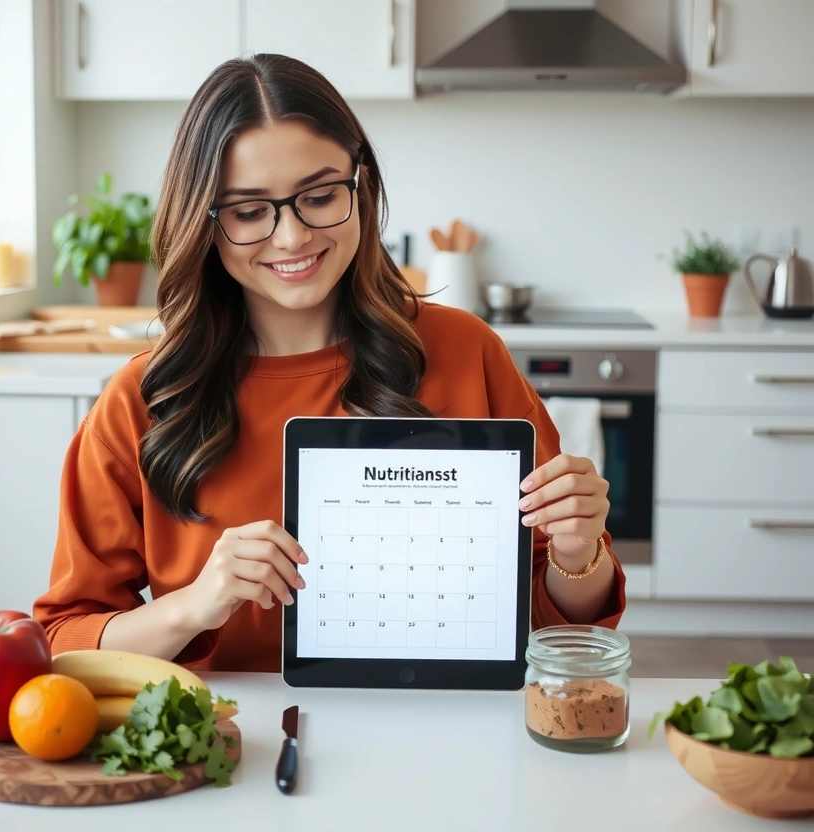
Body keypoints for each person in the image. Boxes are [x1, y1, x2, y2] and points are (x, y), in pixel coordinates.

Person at [32, 53, 626, 672]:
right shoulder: (141, 401)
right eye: (248, 211)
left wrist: (579, 549)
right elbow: (66, 637)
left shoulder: (467, 351)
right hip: (235, 746)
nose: (291, 237)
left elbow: (564, 623)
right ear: (204, 223)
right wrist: (193, 606)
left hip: (448, 731)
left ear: (360, 186)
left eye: (318, 196)